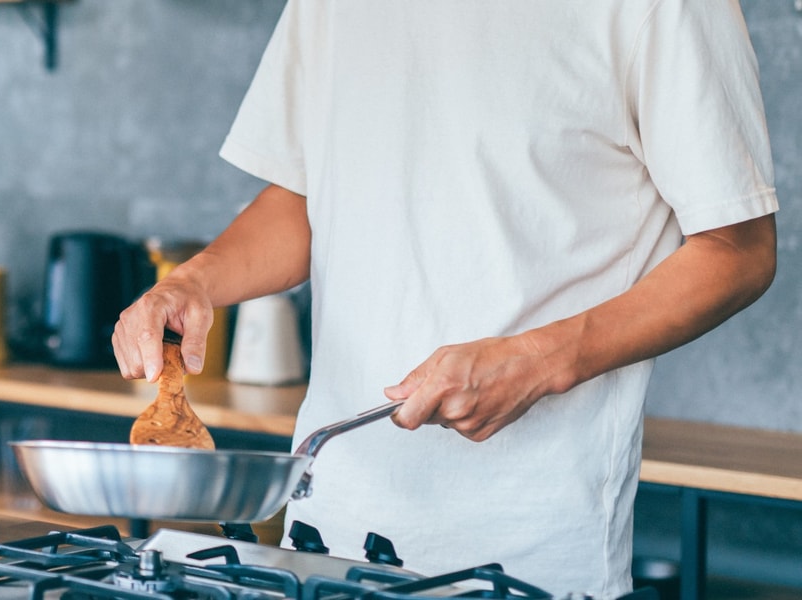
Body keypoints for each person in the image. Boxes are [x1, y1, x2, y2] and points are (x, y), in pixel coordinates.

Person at [112, 1, 778, 596]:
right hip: (324, 527)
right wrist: (192, 282)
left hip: (524, 553)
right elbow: (306, 196)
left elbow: (738, 250)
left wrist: (541, 360)